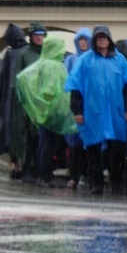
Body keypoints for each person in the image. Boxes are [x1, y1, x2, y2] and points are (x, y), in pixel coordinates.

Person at [65, 26, 127, 195]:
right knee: (93, 150)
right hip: (92, 113)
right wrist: (77, 111)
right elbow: (76, 87)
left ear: (109, 39)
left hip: (115, 113)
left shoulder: (120, 60)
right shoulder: (85, 60)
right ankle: (96, 184)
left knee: (117, 150)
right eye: (99, 37)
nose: (102, 40)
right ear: (94, 40)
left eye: (105, 37)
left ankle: (117, 183)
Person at [16, 35, 78, 186]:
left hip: (47, 113)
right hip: (53, 113)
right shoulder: (53, 66)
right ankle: (45, 177)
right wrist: (49, 105)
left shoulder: (44, 63)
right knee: (48, 145)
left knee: (45, 144)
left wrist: (37, 106)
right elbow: (50, 89)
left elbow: (22, 77)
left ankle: (42, 175)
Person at [11, 22, 47, 183]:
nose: (39, 38)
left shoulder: (46, 54)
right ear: (31, 37)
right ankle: (26, 168)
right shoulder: (24, 54)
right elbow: (17, 79)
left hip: (42, 103)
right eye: (36, 35)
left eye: (42, 35)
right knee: (26, 136)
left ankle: (38, 169)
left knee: (39, 136)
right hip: (26, 102)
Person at [62, 27, 91, 190]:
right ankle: (74, 175)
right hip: (74, 105)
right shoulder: (71, 60)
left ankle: (87, 174)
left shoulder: (93, 59)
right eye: (80, 39)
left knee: (89, 142)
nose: (83, 42)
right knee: (74, 144)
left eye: (86, 39)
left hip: (90, 105)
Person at [0, 24, 27, 179]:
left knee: (11, 132)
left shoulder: (10, 55)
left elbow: (3, 78)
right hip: (23, 98)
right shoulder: (27, 52)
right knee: (23, 133)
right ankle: (22, 165)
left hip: (11, 99)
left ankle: (15, 165)